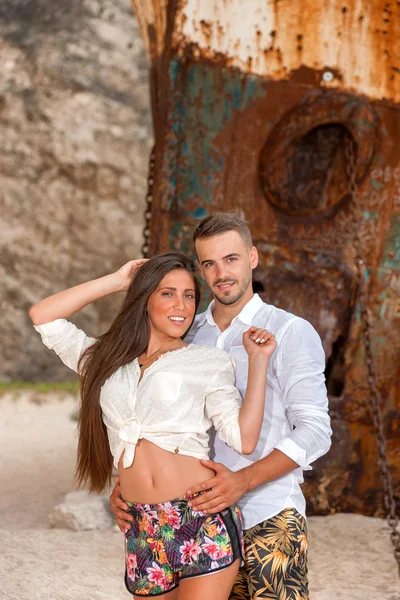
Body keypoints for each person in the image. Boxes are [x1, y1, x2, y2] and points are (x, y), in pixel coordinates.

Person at [110, 213, 332, 600]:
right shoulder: (184, 331)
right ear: (200, 269)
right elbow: (148, 415)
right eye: (209, 264)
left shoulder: (290, 331)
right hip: (190, 517)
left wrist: (243, 481)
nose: (221, 273)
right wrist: (126, 486)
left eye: (231, 259)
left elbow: (315, 431)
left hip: (268, 510)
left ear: (253, 257)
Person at [29, 252, 276, 599]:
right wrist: (117, 281)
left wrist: (259, 362)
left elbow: (243, 438)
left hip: (200, 518)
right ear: (144, 299)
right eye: (167, 293)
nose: (181, 305)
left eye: (189, 295)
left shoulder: (208, 362)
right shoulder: (105, 360)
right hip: (141, 524)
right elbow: (43, 315)